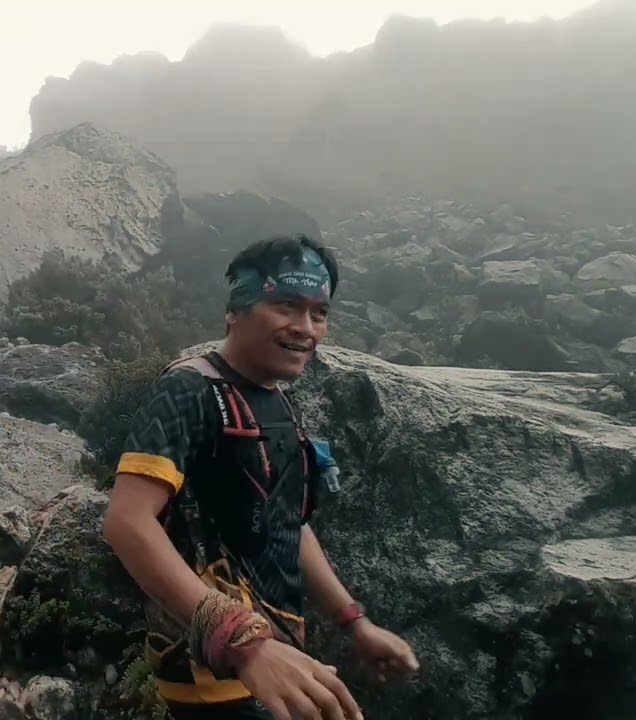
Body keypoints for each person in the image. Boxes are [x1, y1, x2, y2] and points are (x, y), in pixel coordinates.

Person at [102, 235, 419, 720]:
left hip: (276, 658)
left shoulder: (272, 396)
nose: (305, 328)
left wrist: (354, 624)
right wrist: (244, 643)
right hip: (216, 677)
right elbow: (127, 522)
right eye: (287, 306)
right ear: (236, 308)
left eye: (319, 313)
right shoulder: (188, 391)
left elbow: (287, 521)